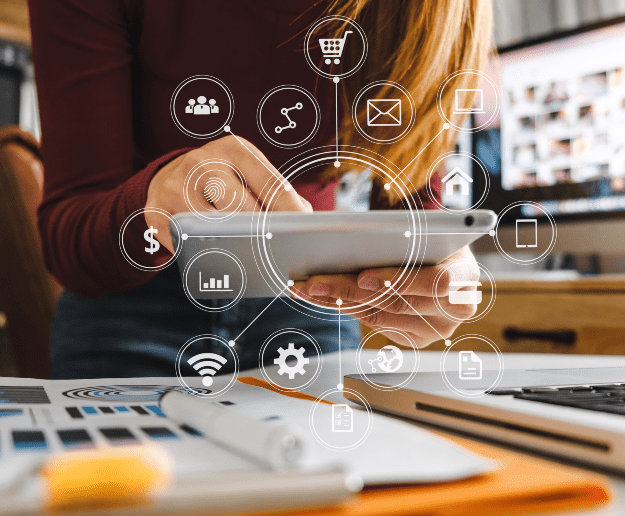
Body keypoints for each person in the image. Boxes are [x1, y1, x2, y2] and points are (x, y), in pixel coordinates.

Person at [29, 0, 493, 380]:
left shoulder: (434, 10)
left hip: (310, 303)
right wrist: (152, 204)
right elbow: (70, 243)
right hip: (130, 308)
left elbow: (409, 197)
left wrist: (434, 268)